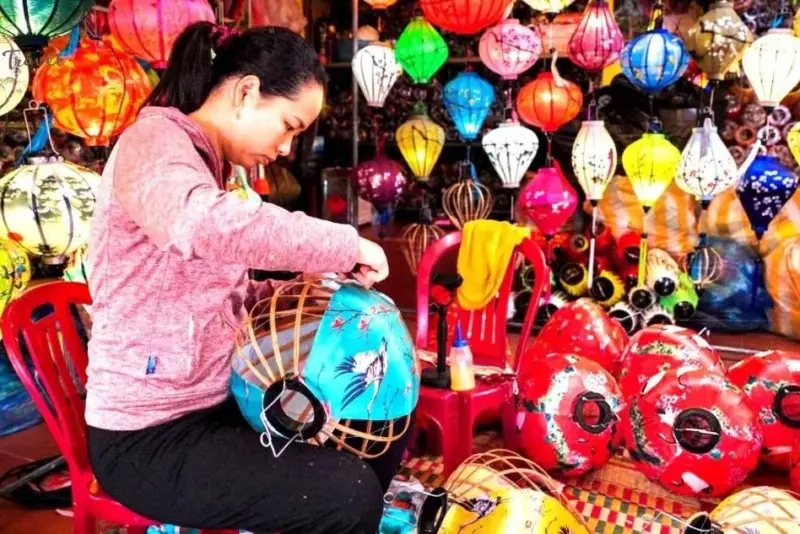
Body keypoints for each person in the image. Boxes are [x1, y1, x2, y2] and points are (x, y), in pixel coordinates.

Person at [85, 22, 409, 534]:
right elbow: (199, 223)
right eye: (289, 125)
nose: (286, 148)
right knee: (344, 497)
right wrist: (343, 243)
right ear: (246, 92)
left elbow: (225, 297)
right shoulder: (153, 143)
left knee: (379, 420)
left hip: (221, 401)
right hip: (149, 435)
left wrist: (315, 297)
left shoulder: (209, 168)